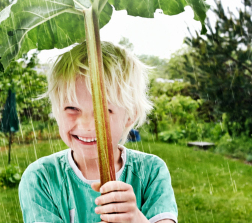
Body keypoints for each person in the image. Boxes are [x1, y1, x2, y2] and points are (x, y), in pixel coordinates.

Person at [18, 41, 178, 223]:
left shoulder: (150, 172)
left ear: (130, 116)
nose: (87, 125)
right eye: (71, 107)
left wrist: (136, 219)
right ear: (56, 111)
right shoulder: (41, 178)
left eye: (103, 111)